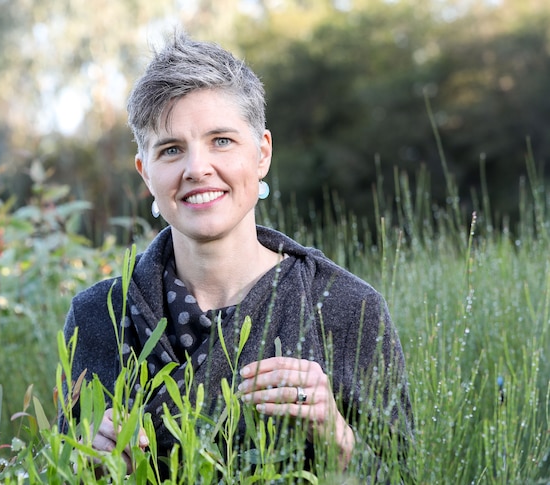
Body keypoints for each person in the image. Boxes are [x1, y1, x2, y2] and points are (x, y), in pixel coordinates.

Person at [61, 32, 413, 481]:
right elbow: (67, 467)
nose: (197, 168)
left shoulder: (349, 308)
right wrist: (89, 466)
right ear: (145, 171)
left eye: (221, 141)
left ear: (262, 152)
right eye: (171, 149)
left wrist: (339, 441)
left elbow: (406, 473)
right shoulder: (97, 318)